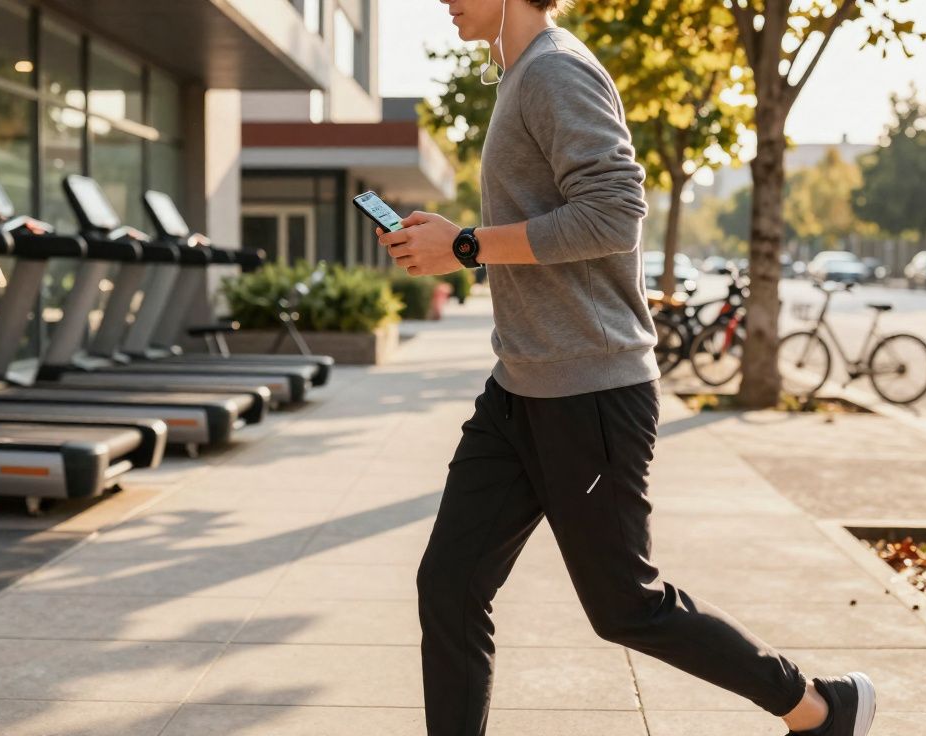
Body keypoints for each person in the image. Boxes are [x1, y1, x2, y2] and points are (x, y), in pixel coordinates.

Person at [374, 1, 878, 735]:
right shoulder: (518, 74)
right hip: (519, 387)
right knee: (449, 585)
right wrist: (456, 246)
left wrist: (469, 246)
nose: (444, 1)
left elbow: (614, 213)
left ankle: (823, 707)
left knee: (625, 607)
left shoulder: (554, 71)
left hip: (590, 391)